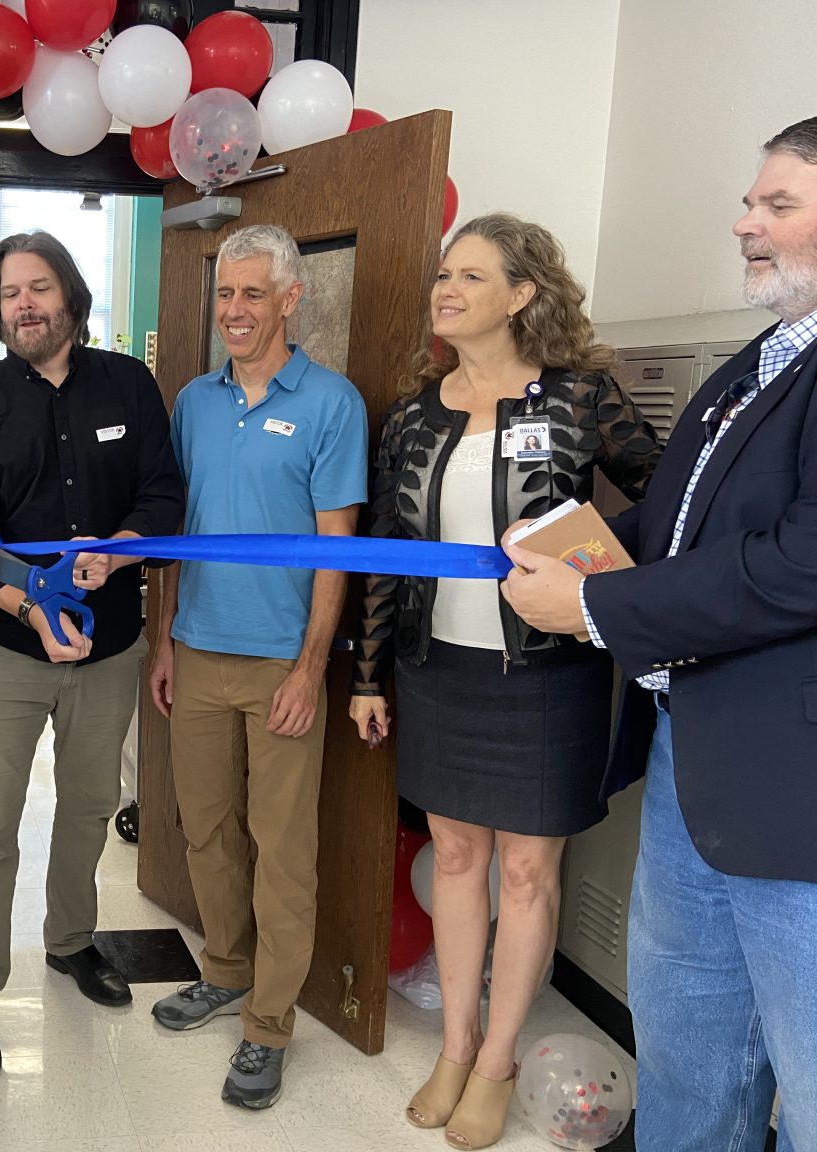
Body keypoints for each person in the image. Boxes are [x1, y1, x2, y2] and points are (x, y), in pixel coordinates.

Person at [502, 120, 817, 1152]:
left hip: (794, 796)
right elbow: (677, 520)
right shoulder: (761, 360)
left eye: (778, 207)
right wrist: (573, 547)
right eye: (750, 202)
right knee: (689, 1046)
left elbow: (797, 564)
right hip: (696, 763)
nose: (744, 223)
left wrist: (594, 608)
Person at [346, 213, 661, 1149]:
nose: (446, 289)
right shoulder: (410, 413)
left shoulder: (578, 397)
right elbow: (386, 557)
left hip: (548, 679)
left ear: (523, 295)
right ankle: (455, 1043)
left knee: (527, 870)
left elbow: (676, 499)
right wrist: (367, 677)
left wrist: (606, 577)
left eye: (470, 277)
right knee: (456, 860)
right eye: (444, 274)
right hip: (438, 670)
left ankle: (498, 1058)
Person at [0, 230, 183, 1076]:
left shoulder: (130, 384)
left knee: (85, 810)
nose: (26, 305)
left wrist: (120, 547)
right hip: (8, 648)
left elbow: (163, 493)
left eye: (39, 287)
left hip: (111, 644)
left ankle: (72, 941)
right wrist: (30, 612)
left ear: (69, 295)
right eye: (10, 294)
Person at [147, 223, 368, 1110]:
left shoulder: (331, 403)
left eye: (251, 294)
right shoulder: (194, 402)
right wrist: (165, 637)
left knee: (284, 850)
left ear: (290, 298)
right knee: (206, 830)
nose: (234, 311)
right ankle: (226, 971)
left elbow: (336, 551)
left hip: (282, 661)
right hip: (198, 651)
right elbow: (177, 533)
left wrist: (312, 668)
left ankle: (269, 1024)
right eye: (225, 295)